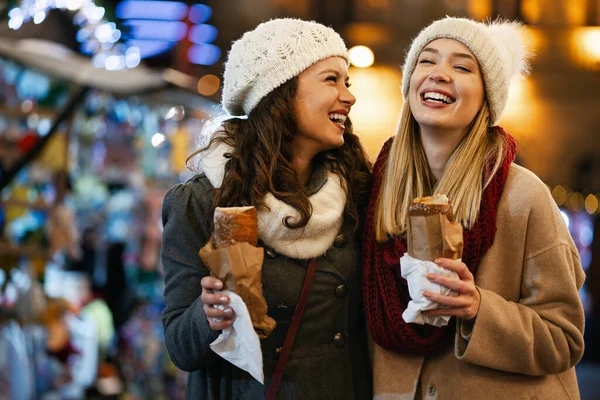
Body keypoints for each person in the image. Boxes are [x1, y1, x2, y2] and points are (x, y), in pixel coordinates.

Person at [362, 17, 586, 399]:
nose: (440, 74)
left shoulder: (523, 196)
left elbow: (563, 339)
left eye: (462, 66)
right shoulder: (374, 194)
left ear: (487, 98)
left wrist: (479, 308)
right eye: (426, 61)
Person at [161, 18, 372, 400]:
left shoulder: (356, 192)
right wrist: (207, 315)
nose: (348, 96)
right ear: (280, 92)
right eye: (331, 80)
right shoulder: (202, 201)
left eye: (347, 82)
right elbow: (179, 346)